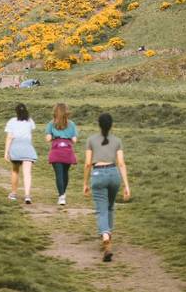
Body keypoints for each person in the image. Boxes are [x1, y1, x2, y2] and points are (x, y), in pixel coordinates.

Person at [83, 113, 130, 262]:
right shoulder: (117, 141)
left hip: (98, 174)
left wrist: (85, 183)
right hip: (113, 174)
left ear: (99, 124)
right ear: (111, 125)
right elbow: (121, 163)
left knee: (101, 209)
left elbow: (87, 163)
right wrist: (126, 185)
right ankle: (108, 234)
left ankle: (105, 236)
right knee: (110, 207)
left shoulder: (91, 140)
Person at [4, 103, 37, 204]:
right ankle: (27, 196)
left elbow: (9, 137)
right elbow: (30, 133)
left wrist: (6, 152)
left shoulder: (11, 121)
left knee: (15, 171)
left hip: (16, 147)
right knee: (27, 173)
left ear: (16, 111)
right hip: (27, 147)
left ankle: (13, 194)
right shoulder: (30, 121)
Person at [45, 103, 78, 205]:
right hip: (67, 151)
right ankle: (63, 193)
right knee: (65, 173)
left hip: (56, 151)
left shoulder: (51, 124)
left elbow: (48, 139)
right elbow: (74, 140)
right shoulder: (72, 124)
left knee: (58, 174)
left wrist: (53, 135)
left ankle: (61, 196)